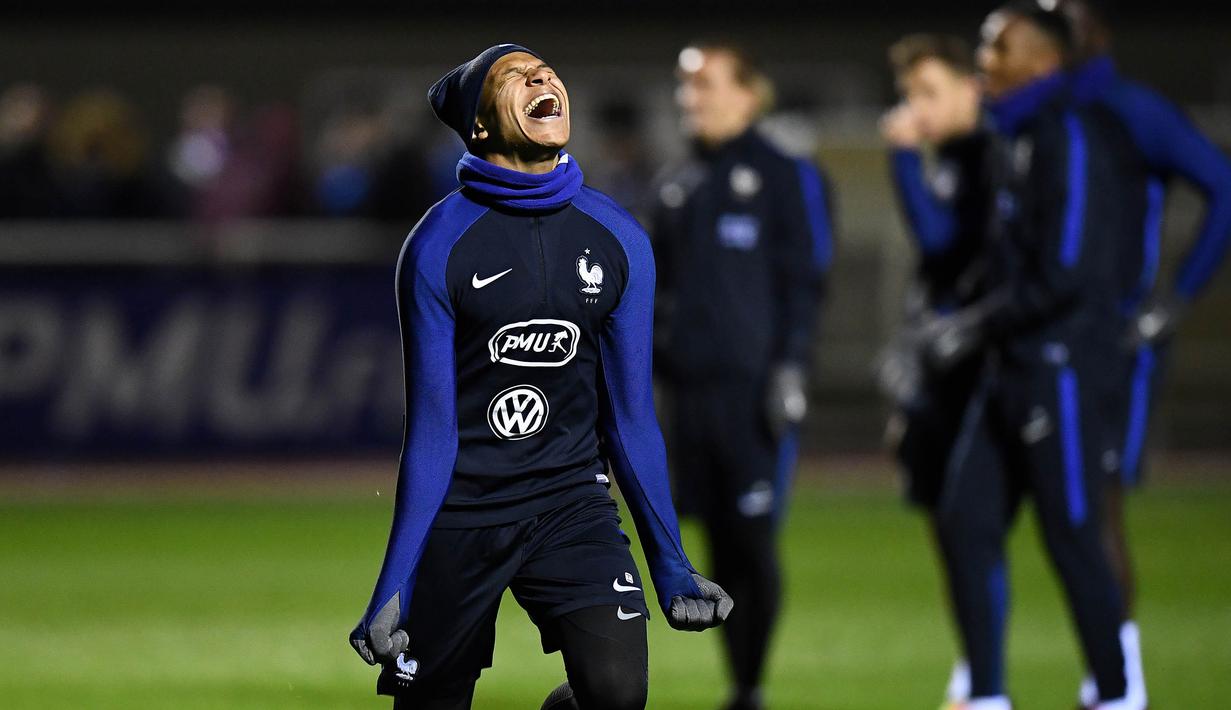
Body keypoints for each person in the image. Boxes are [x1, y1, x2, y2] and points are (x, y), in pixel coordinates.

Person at [347, 44, 733, 710]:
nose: (542, 77)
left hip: (571, 504)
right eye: (513, 77)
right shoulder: (437, 245)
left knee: (615, 694)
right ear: (478, 125)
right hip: (463, 513)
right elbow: (432, 432)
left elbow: (631, 419)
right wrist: (395, 584)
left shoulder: (618, 237)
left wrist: (670, 563)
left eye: (545, 70)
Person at [920, 4, 1147, 708]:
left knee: (1074, 536)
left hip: (1063, 368)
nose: (984, 57)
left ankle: (1116, 694)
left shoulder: (1070, 136)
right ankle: (987, 695)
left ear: (1043, 61)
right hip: (1009, 365)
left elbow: (1066, 272)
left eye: (1000, 45)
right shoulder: (1010, 137)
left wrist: (971, 325)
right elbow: (999, 260)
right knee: (964, 522)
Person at [651, 42, 832, 710]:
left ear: (749, 93)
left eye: (705, 85)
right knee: (718, 543)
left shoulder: (787, 176)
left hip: (754, 395)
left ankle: (751, 686)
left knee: (753, 540)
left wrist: (791, 368)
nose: (689, 99)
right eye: (685, 86)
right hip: (687, 395)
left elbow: (807, 280)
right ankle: (740, 688)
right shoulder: (675, 182)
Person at [1060, 2, 1231, 705]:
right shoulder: (1025, 113)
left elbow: (1223, 187)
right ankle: (980, 682)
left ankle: (1117, 686)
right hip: (1028, 340)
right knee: (986, 506)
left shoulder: (1131, 110)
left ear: (1096, 33)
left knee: (1099, 508)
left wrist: (1177, 297)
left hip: (1111, 344)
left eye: (1063, 19)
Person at [875, 33, 994, 707]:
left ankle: (1116, 680)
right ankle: (975, 674)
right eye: (907, 94)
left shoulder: (991, 156)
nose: (914, 108)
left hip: (994, 369)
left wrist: (900, 157)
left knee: (1067, 536)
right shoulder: (951, 157)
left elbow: (940, 240)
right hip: (945, 369)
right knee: (953, 532)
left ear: (971, 88)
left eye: (929, 92)